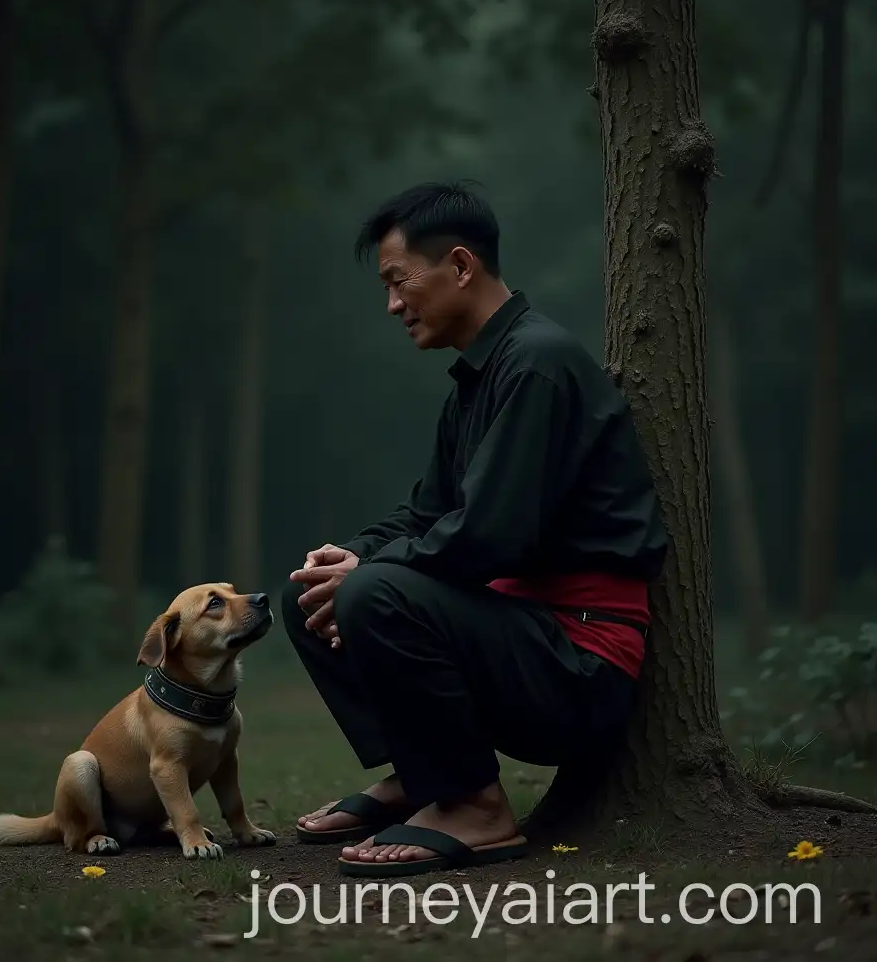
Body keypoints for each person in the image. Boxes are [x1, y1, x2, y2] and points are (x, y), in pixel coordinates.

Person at [281, 181, 667, 877]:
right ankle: (424, 773)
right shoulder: (479, 379)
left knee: (369, 594)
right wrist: (355, 553)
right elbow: (430, 517)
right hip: (519, 639)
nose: (393, 305)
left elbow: (490, 538)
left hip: (577, 664)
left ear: (460, 267)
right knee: (312, 591)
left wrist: (367, 575)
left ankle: (471, 806)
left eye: (399, 282)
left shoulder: (537, 365)